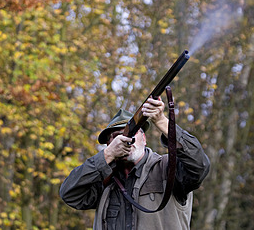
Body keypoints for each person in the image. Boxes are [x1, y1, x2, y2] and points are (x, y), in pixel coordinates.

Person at [60, 96, 210, 229]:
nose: (127, 139)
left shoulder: (168, 168)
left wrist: (162, 122)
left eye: (132, 133)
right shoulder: (103, 180)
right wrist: (107, 156)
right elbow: (69, 193)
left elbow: (199, 165)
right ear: (109, 145)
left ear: (144, 139)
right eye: (117, 136)